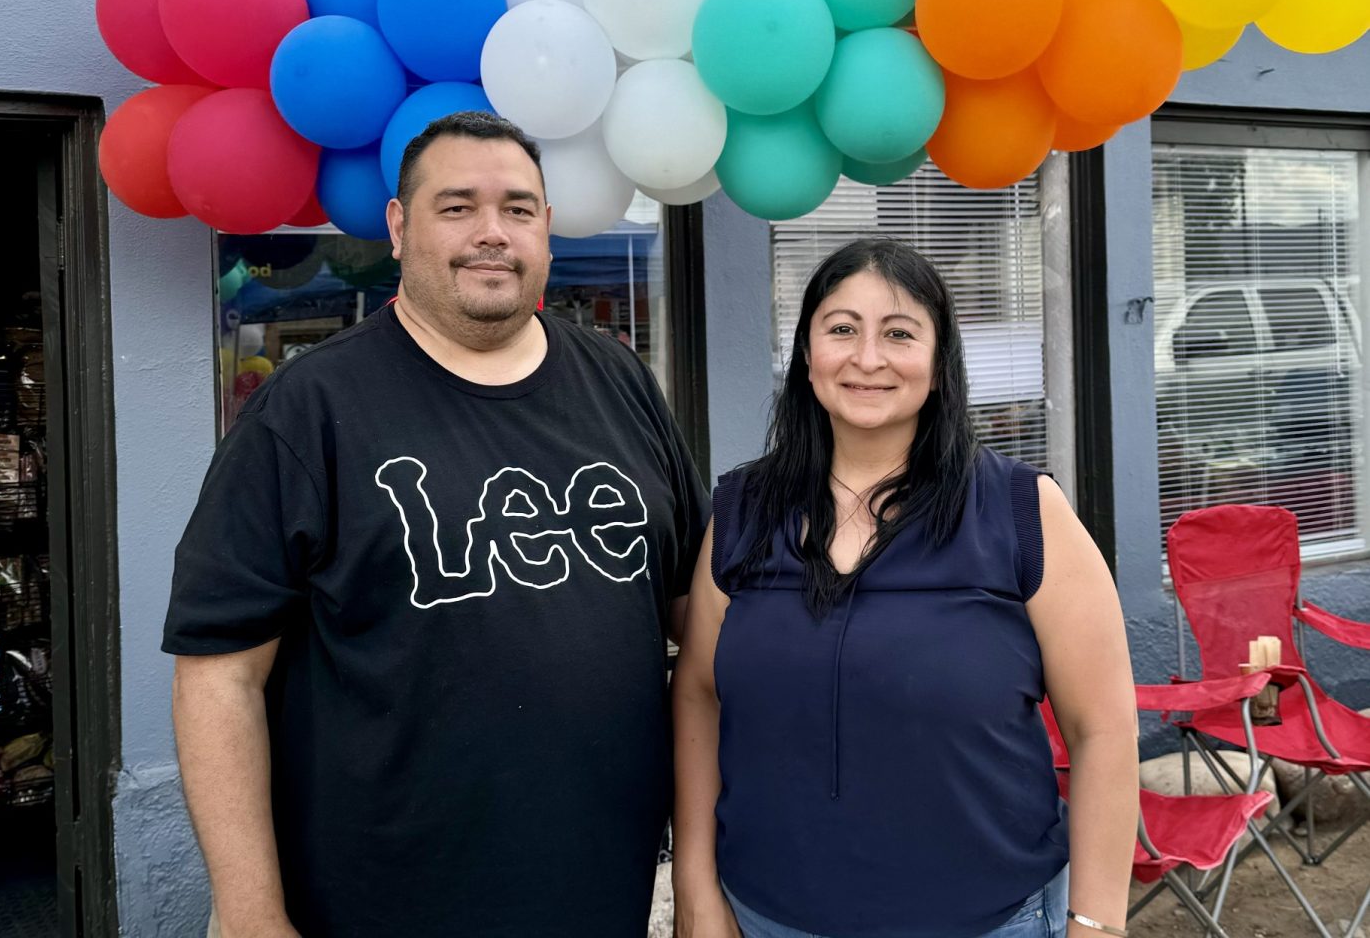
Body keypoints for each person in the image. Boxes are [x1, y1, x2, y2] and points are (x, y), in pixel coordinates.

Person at [164, 111, 708, 938]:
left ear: (547, 231)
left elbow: (694, 619)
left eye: (518, 209)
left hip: (601, 885)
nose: (492, 233)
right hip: (380, 896)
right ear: (397, 226)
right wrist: (248, 911)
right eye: (457, 206)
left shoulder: (620, 382)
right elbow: (217, 677)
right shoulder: (307, 412)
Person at [672, 238, 1139, 938]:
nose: (867, 358)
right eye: (841, 330)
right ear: (806, 356)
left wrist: (1097, 922)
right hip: (766, 917)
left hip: (987, 921)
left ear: (939, 364)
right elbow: (699, 698)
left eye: (898, 333)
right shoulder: (742, 511)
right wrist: (696, 893)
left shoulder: (1022, 512)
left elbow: (1103, 730)